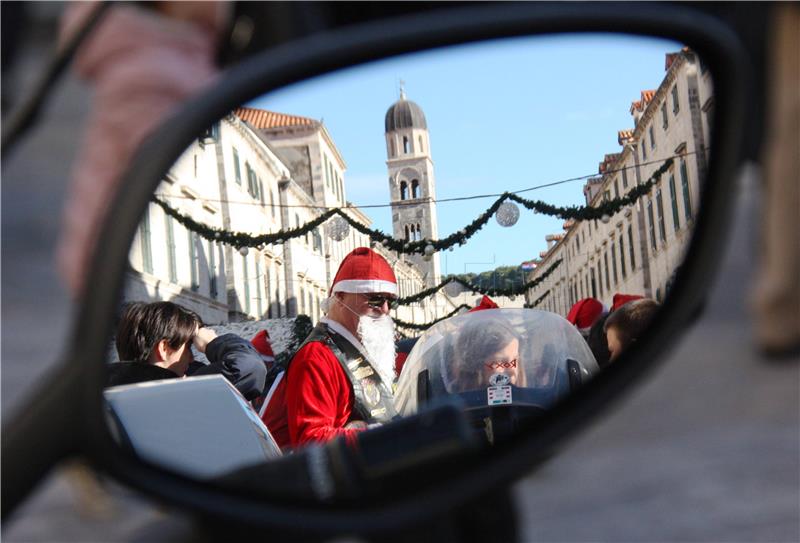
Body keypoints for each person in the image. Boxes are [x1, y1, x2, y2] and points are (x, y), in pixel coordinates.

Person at [261, 247, 399, 450]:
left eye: (391, 301)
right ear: (341, 297)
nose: (385, 309)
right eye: (375, 298)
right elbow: (310, 441)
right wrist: (372, 433)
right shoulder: (316, 355)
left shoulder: (346, 347)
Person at [109, 301, 266, 401]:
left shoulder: (107, 393)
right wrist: (212, 343)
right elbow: (250, 368)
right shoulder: (175, 395)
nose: (191, 358)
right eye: (189, 347)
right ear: (164, 349)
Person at [447, 315, 522, 392]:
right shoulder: (454, 401)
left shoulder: (526, 400)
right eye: (499, 362)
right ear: (475, 367)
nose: (512, 370)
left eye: (515, 359)